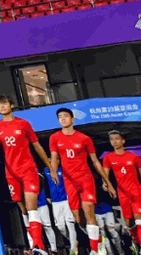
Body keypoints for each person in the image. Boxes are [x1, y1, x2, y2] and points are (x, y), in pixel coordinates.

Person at [0, 95, 54, 255]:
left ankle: (38, 245)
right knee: (23, 209)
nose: (1, 106)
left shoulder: (23, 124)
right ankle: (33, 245)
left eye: (4, 103)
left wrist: (49, 166)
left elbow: (37, 146)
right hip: (11, 173)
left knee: (31, 207)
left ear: (11, 105)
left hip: (28, 169)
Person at [49, 107, 116, 255]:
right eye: (60, 117)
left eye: (66, 116)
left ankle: (95, 250)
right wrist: (53, 171)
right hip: (69, 181)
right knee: (79, 219)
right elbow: (54, 158)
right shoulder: (54, 138)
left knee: (88, 211)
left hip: (85, 179)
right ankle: (98, 240)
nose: (63, 119)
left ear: (72, 119)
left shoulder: (84, 138)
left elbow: (95, 161)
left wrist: (108, 183)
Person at [102, 130, 141, 247]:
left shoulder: (134, 157)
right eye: (112, 139)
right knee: (128, 222)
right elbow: (105, 175)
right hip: (122, 194)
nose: (114, 141)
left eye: (117, 139)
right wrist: (106, 184)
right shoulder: (108, 157)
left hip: (136, 192)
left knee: (139, 218)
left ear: (123, 141)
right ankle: (136, 241)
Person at [43, 166, 78, 254]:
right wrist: (47, 196)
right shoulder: (45, 170)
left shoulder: (63, 168)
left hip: (66, 199)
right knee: (61, 227)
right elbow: (44, 184)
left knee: (70, 224)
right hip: (55, 202)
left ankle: (73, 249)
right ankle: (73, 241)